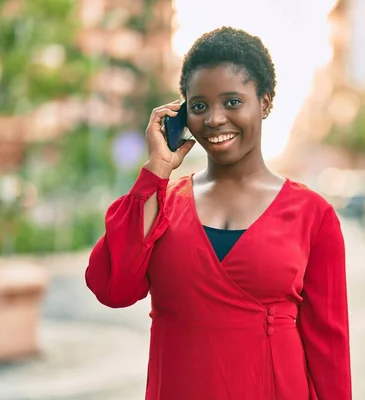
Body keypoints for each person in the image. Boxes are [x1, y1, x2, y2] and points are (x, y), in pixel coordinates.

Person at [85, 26, 351, 400]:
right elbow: (113, 287)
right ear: (181, 115)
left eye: (232, 102)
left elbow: (329, 347)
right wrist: (156, 171)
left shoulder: (313, 214)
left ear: (265, 102)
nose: (213, 119)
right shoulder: (162, 204)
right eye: (199, 106)